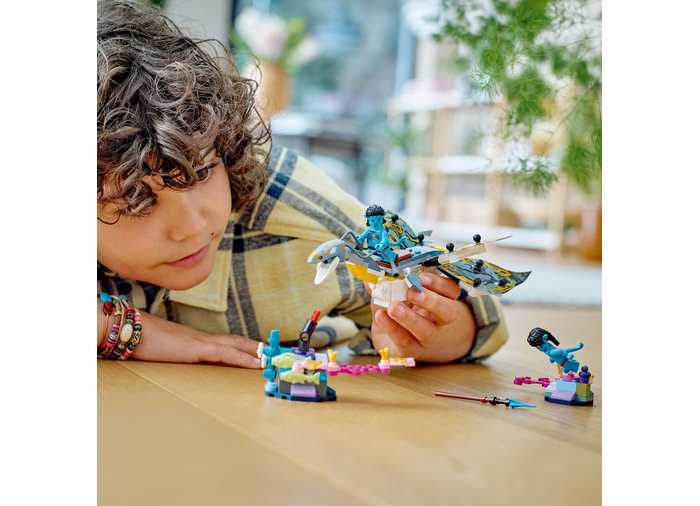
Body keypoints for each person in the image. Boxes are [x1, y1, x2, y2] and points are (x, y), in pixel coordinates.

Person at [97, 0, 509, 368]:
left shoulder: (303, 221)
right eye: (136, 199)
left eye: (203, 172)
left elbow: (479, 317)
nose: (191, 226)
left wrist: (425, 335)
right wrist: (126, 330)